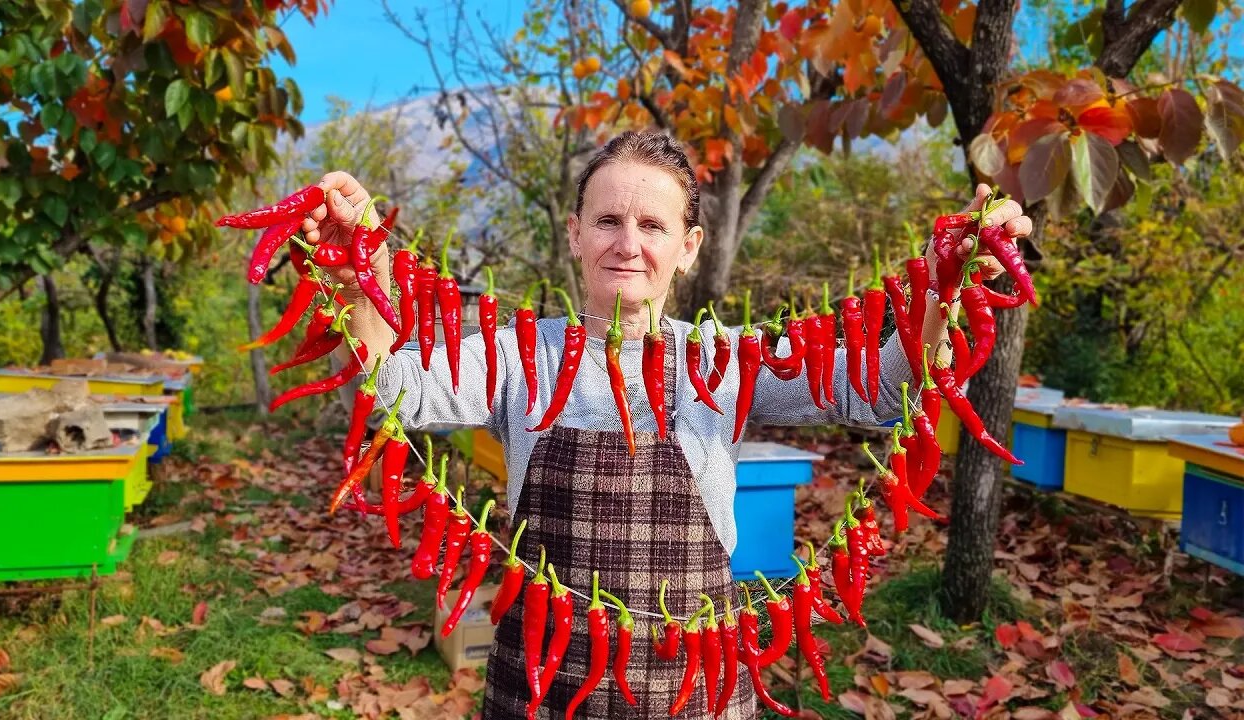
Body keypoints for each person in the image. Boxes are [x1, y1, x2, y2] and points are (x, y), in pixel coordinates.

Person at [302, 131, 1032, 719]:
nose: (628, 243)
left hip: (693, 686)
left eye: (652, 224)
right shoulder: (514, 355)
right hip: (545, 682)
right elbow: (396, 392)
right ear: (576, 235)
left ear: (687, 249)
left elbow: (879, 387)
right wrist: (361, 276)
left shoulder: (726, 359)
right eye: (608, 221)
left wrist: (950, 284)